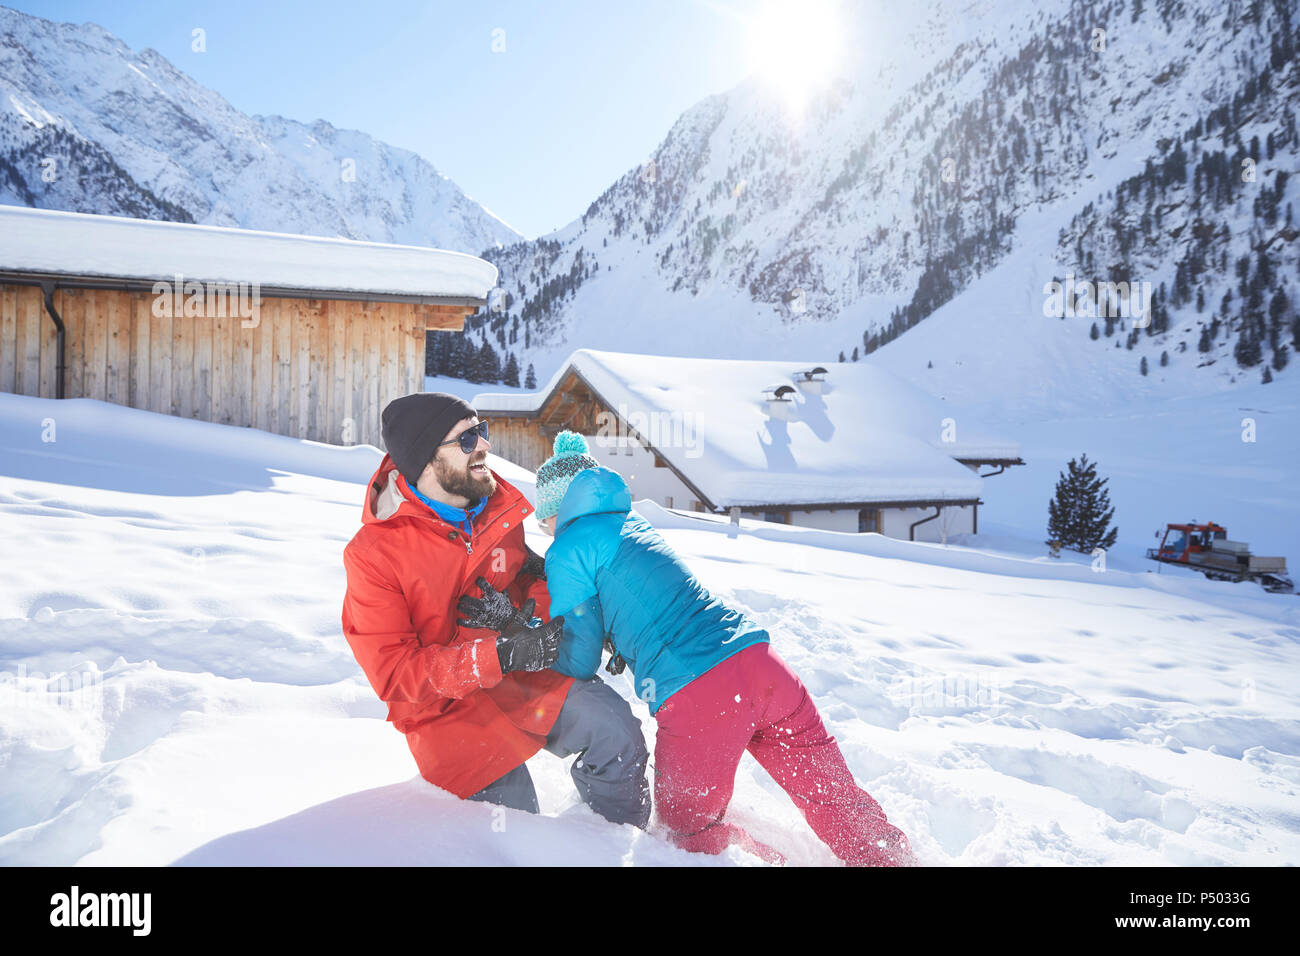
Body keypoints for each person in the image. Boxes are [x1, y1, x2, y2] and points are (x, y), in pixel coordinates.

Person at [534, 430, 915, 866]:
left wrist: (537, 650)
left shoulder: (566, 549)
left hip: (701, 693)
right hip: (762, 665)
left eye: (543, 519)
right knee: (834, 800)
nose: (544, 530)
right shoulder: (633, 523)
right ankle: (894, 860)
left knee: (685, 836)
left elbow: (579, 660)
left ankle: (772, 860)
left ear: (555, 510)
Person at [341, 393, 650, 826]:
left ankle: (617, 847)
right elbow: (396, 675)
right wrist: (500, 654)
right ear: (427, 459)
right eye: (467, 439)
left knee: (616, 734)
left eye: (481, 431)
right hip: (444, 709)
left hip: (517, 670)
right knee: (511, 820)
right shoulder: (373, 555)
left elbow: (529, 574)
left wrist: (528, 618)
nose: (485, 444)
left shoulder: (496, 507)